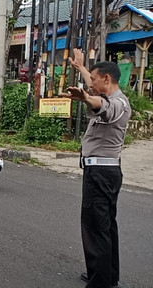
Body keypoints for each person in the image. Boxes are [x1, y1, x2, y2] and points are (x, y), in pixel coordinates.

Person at [62, 49, 132, 288]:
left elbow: (100, 103)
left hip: (101, 174)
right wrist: (81, 67)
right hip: (104, 172)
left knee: (95, 228)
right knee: (106, 226)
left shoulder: (119, 103)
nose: (90, 83)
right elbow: (95, 91)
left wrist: (84, 98)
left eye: (94, 78)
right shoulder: (110, 95)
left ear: (107, 79)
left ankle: (100, 282)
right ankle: (107, 275)